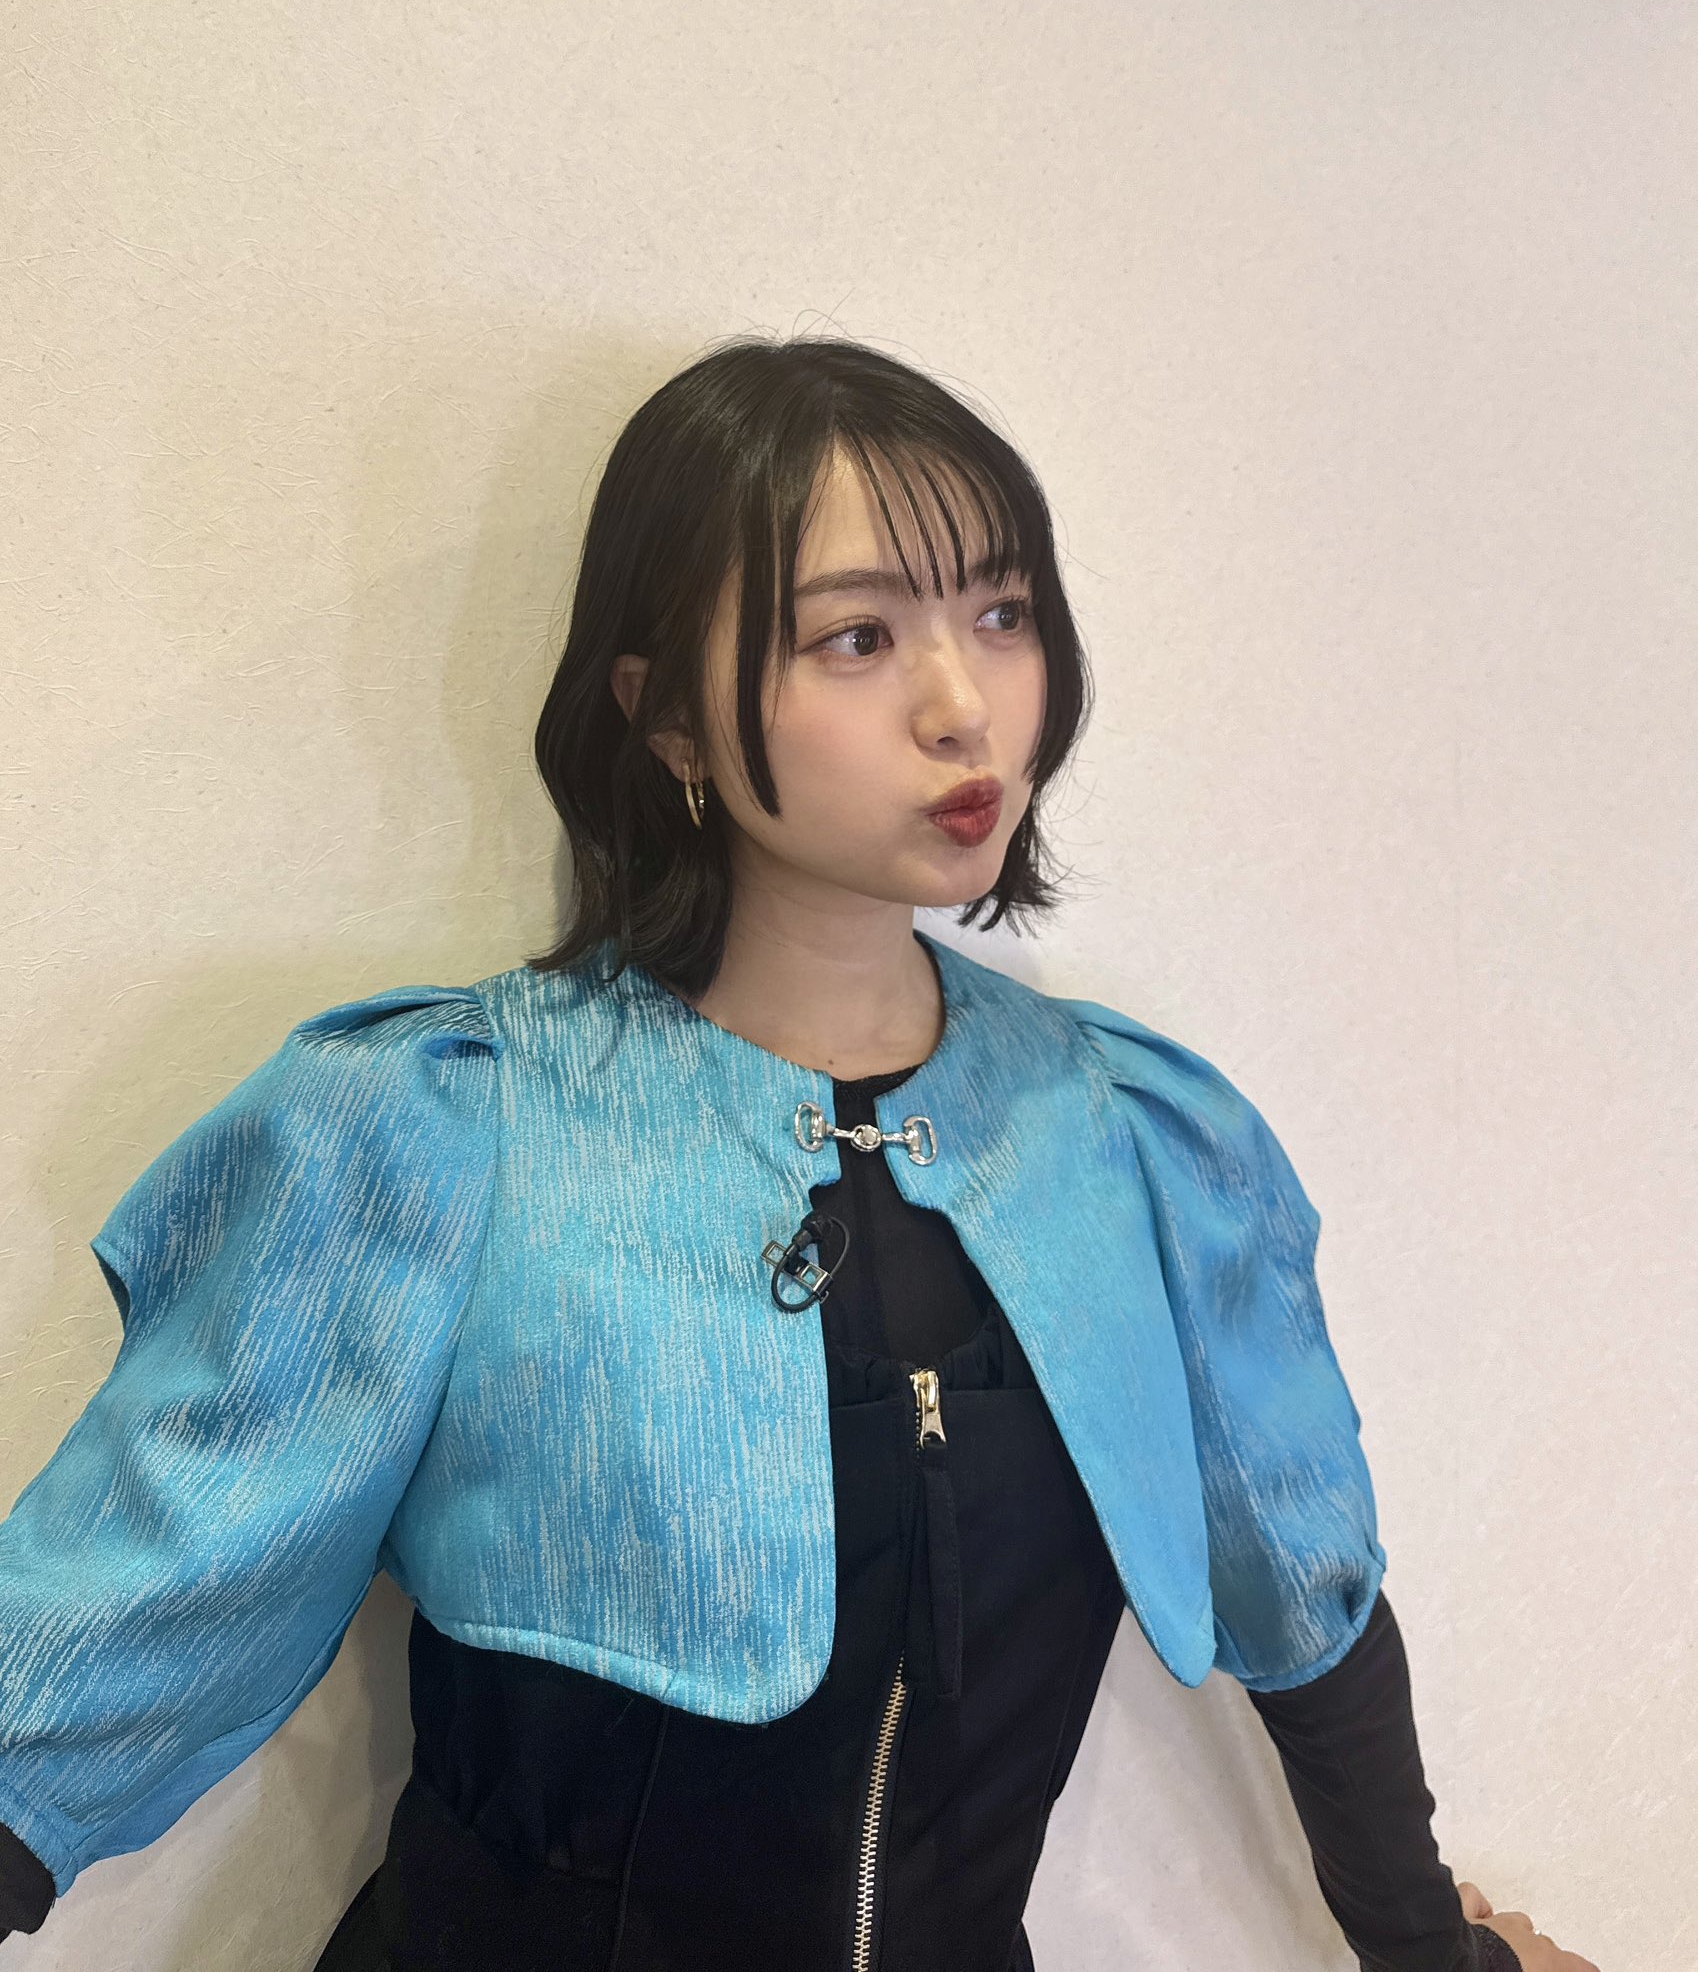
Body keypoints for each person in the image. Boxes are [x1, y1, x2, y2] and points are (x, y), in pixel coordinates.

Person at [0, 336, 1596, 1971]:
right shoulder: (438, 1127)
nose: (963, 706)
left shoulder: (1136, 1143)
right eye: (857, 637)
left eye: (1002, 613)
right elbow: (138, 1600)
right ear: (667, 719)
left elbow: (1305, 1589)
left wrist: (1434, 1954)